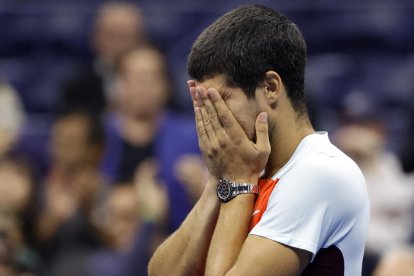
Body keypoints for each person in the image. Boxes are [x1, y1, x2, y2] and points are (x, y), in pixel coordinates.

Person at [148, 5, 369, 276]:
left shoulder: (320, 172)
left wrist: (237, 181)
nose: (212, 119)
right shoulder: (246, 167)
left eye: (221, 100)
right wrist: (220, 180)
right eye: (204, 104)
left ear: (270, 87)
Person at [59, 1, 145, 115]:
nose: (119, 45)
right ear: (95, 39)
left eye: (125, 36)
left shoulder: (158, 83)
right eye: (111, 36)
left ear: (141, 40)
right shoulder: (76, 86)